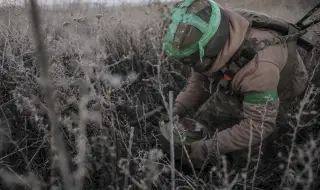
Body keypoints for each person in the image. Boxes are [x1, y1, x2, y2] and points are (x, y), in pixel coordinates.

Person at [160, 0, 309, 169]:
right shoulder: (213, 28)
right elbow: (199, 79)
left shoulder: (258, 67)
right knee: (203, 121)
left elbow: (260, 125)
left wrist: (208, 149)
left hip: (281, 89)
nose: (194, 66)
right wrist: (178, 107)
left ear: (213, 50)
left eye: (196, 62)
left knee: (245, 161)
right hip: (243, 79)